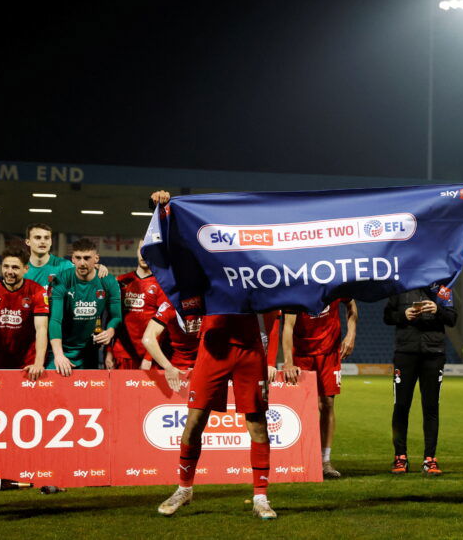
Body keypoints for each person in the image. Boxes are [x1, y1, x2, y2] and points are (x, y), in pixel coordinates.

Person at [149, 191, 276, 520]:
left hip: (249, 352)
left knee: (257, 425)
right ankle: (184, 489)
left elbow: (278, 313)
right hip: (213, 349)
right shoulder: (202, 261)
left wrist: (274, 357)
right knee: (194, 423)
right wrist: (162, 209)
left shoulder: (257, 261)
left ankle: (261, 496)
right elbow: (168, 247)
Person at [383, 284, 457, 476]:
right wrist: (403, 314)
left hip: (434, 354)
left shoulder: (443, 290)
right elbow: (387, 316)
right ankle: (400, 457)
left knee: (431, 407)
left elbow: (452, 318)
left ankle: (430, 459)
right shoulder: (400, 287)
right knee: (401, 406)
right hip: (405, 353)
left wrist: (437, 309)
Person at [280, 298, 357, 479]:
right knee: (303, 408)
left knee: (327, 404)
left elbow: (351, 304)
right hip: (302, 353)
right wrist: (288, 362)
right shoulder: (297, 289)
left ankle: (325, 461)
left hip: (329, 352)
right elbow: (288, 326)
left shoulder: (333, 282)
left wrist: (351, 334)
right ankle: (300, 460)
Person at [46, 238, 121, 374]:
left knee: (86, 394)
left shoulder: (108, 281)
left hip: (89, 352)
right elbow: (55, 320)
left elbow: (116, 316)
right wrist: (58, 355)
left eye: (87, 258)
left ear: (96, 258)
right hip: (61, 349)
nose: (82, 263)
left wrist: (110, 331)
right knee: (50, 392)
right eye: (78, 258)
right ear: (72, 259)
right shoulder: (61, 280)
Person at [0, 245, 49, 380]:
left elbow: (41, 328)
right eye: (6, 266)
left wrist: (38, 363)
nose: (9, 271)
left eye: (15, 267)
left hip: (29, 365)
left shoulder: (37, 291)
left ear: (26, 269)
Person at [109, 240, 165, 370]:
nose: (144, 254)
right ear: (136, 252)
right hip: (123, 353)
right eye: (141, 250)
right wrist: (109, 352)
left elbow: (162, 324)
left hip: (150, 355)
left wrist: (148, 357)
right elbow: (113, 318)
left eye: (148, 250)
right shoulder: (121, 281)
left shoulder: (161, 285)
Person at [24, 223, 109, 292]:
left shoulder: (64, 266)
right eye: (38, 238)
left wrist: (97, 267)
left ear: (51, 242)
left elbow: (84, 269)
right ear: (28, 242)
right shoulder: (20, 268)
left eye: (47, 238)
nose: (43, 241)